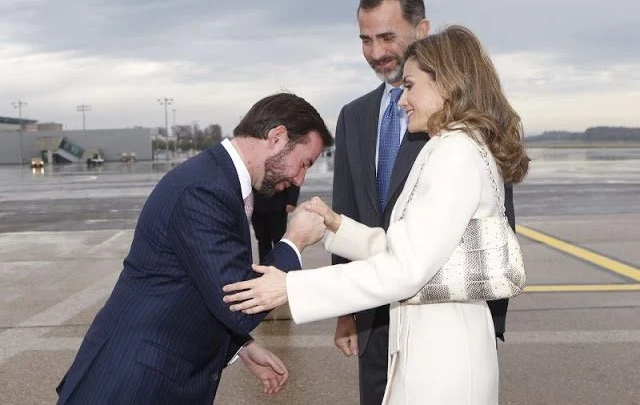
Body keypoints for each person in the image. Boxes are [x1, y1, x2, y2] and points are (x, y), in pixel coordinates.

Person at [223, 26, 530, 404]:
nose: (402, 100)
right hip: (432, 348)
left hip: (443, 363)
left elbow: (406, 269)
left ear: (447, 85)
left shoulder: (455, 155)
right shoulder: (448, 147)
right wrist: (339, 226)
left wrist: (291, 288)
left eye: (411, 86)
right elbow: (407, 247)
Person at [309, 0, 515, 405]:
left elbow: (495, 230)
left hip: (439, 317)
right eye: (365, 39)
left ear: (423, 31)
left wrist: (485, 320)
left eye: (387, 36)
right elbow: (352, 206)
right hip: (375, 318)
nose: (375, 51)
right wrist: (347, 312)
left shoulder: (457, 138)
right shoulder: (355, 116)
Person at [55, 93, 333, 404]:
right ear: (277, 137)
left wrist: (238, 345)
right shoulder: (205, 189)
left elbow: (203, 283)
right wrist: (295, 240)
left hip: (148, 376)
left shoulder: (218, 179)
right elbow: (239, 302)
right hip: (134, 384)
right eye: (304, 163)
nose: (300, 178)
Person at [251, 185, 301, 261]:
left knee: (279, 239)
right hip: (256, 205)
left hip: (278, 204)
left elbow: (293, 178)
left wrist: (292, 201)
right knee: (262, 240)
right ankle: (265, 266)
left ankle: (281, 265)